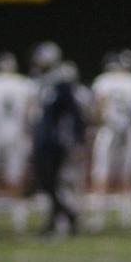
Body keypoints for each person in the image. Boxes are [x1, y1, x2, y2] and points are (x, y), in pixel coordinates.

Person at [30, 44, 88, 236]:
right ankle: (65, 216)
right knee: (47, 183)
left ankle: (60, 220)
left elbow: (75, 113)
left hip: (56, 141)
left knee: (53, 182)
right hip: (42, 139)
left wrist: (78, 139)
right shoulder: (40, 82)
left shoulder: (62, 84)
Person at [0, 52, 36, 232]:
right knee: (14, 178)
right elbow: (29, 114)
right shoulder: (25, 84)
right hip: (16, 136)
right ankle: (18, 221)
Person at [89, 50, 131, 230]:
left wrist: (97, 122)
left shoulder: (104, 81)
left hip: (109, 128)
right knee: (129, 172)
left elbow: (99, 105)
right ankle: (127, 215)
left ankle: (99, 215)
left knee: (102, 171)